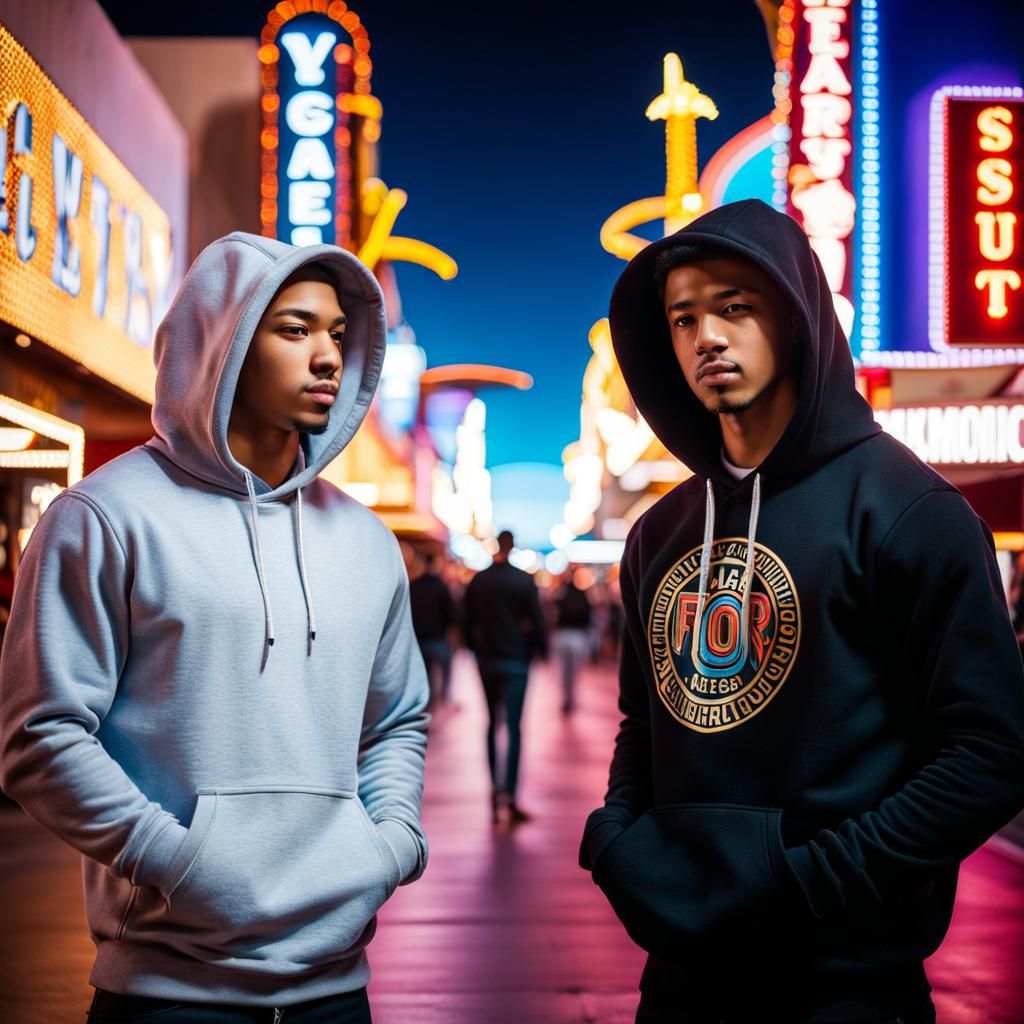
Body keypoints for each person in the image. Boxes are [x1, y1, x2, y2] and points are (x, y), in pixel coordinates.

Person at [579, 199, 1024, 1023]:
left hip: (850, 985)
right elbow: (645, 722)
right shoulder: (658, 534)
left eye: (735, 307)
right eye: (683, 318)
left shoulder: (907, 510)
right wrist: (617, 840)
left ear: (794, 319)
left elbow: (992, 749)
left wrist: (811, 881)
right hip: (680, 982)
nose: (707, 336)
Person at [0, 233, 430, 1024]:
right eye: (295, 329)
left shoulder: (368, 541)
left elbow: (397, 719)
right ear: (222, 341)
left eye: (338, 333)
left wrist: (391, 842)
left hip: (337, 992)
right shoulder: (103, 517)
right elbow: (41, 735)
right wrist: (179, 861)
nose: (329, 355)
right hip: (167, 994)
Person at [463, 530, 548, 823]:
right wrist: (540, 652)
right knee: (514, 727)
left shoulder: (479, 580)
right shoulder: (524, 581)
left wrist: (476, 649)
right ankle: (510, 795)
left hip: (488, 660)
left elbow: (466, 621)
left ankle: (492, 792)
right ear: (513, 547)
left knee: (490, 724)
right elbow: (537, 620)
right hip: (516, 660)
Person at [409, 551, 458, 707]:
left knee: (425, 673)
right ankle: (445, 696)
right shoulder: (441, 586)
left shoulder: (414, 585)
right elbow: (451, 614)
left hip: (420, 638)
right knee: (446, 669)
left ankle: (426, 699)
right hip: (438, 638)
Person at [551, 569, 593, 713]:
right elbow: (588, 616)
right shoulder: (583, 595)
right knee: (573, 671)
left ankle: (567, 697)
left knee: (564, 670)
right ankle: (570, 697)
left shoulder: (561, 593)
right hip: (576, 636)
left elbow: (554, 612)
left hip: (564, 635)